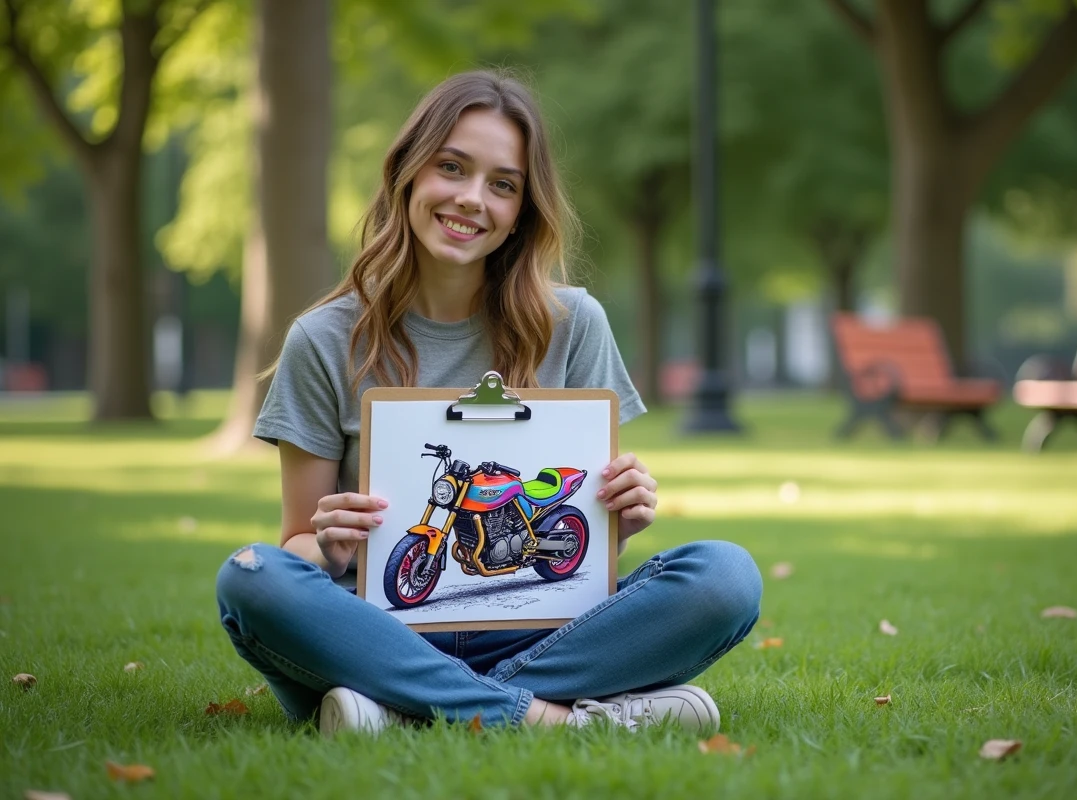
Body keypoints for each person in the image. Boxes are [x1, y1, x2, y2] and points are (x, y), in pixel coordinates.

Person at [214, 70, 762, 735]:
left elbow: (589, 567)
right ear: (409, 174)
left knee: (725, 576)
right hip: (373, 631)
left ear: (521, 212)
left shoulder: (574, 323)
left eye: (502, 184)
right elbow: (295, 544)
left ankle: (403, 710)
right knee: (250, 578)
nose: (473, 199)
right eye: (452, 168)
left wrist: (622, 513)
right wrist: (325, 549)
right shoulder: (324, 339)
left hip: (533, 629)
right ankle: (561, 718)